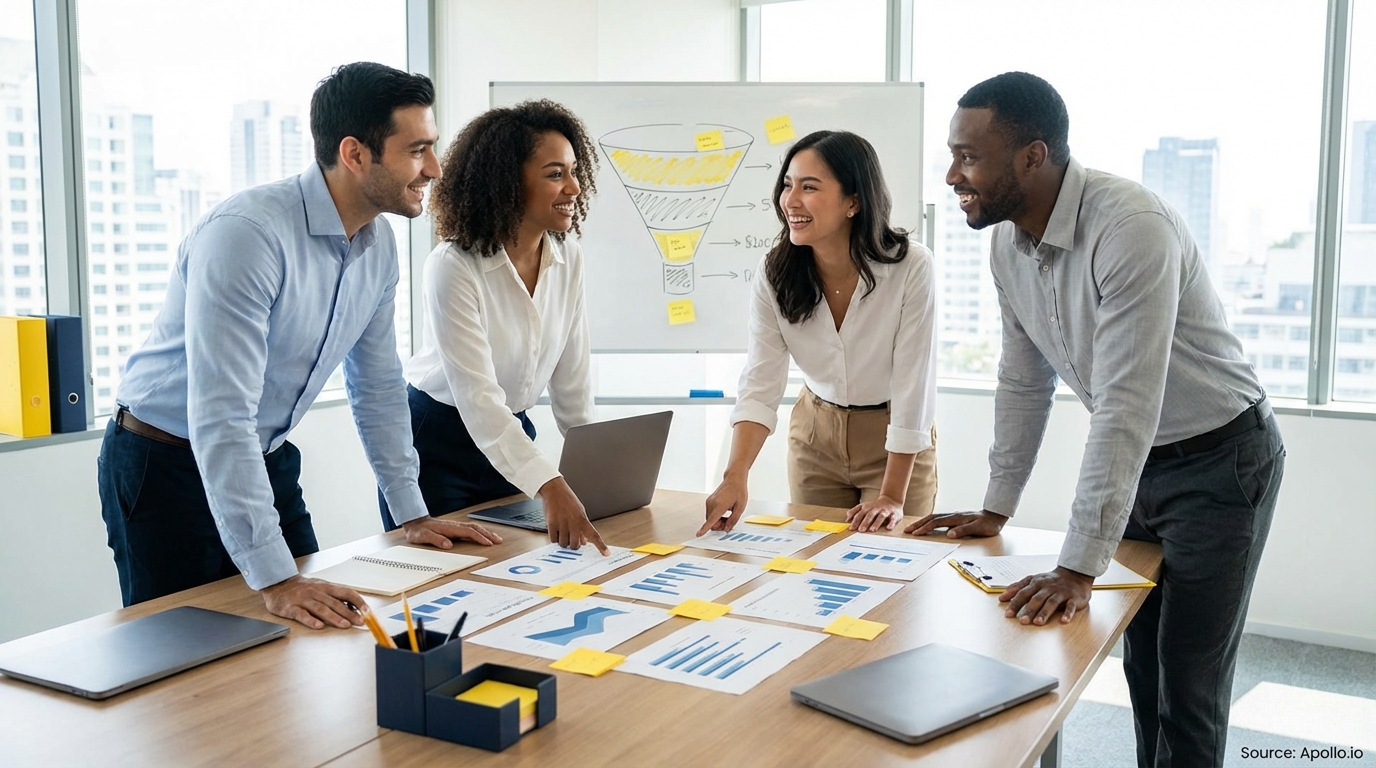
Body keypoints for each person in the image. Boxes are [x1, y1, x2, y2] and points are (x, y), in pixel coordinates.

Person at [908, 72, 1284, 767]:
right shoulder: (1006, 244)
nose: (954, 174)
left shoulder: (1129, 226)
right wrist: (997, 506)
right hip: (1144, 464)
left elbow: (1125, 403)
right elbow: (1023, 381)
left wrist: (1077, 568)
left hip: (1222, 464)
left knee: (1190, 682)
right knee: (1144, 667)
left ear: (1032, 155)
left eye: (969, 156)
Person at [98, 62, 501, 630]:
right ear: (355, 153)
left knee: (315, 628)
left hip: (264, 455)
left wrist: (411, 514)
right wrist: (277, 578)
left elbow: (380, 387)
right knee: (186, 656)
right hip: (163, 463)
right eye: (417, 151)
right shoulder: (248, 235)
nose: (434, 169)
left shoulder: (378, 244)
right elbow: (221, 415)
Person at [382, 99, 609, 554]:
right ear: (507, 183)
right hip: (437, 445)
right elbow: (479, 400)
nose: (574, 187)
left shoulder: (569, 257)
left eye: (573, 170)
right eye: (554, 173)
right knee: (449, 587)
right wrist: (549, 484)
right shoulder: (452, 266)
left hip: (510, 439)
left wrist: (597, 469)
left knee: (512, 578)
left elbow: (573, 379)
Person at [700, 130, 938, 537]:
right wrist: (735, 475)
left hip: (894, 442)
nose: (791, 201)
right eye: (788, 185)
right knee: (816, 567)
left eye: (809, 187)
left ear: (854, 201)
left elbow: (914, 383)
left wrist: (893, 496)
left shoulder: (911, 266)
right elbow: (761, 380)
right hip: (815, 435)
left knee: (893, 566)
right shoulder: (775, 273)